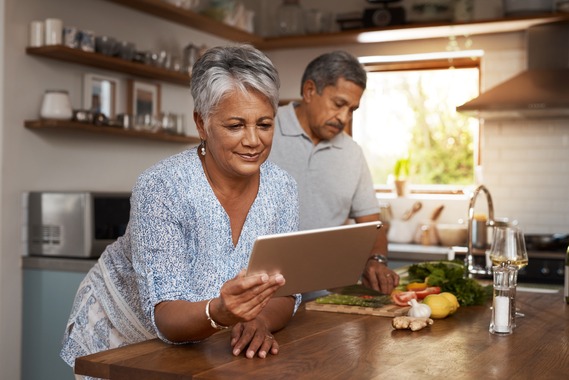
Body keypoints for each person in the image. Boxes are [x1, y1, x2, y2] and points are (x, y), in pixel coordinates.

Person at [60, 45, 301, 373]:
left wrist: (258, 320)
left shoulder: (283, 188)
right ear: (202, 124)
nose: (253, 140)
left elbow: (286, 293)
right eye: (235, 126)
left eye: (264, 124)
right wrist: (222, 313)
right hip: (125, 334)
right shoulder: (162, 186)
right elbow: (166, 315)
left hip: (207, 341)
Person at [269, 50, 399, 295]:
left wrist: (376, 260)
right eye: (338, 104)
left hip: (324, 298)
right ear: (309, 91)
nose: (343, 117)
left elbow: (372, 226)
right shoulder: (264, 131)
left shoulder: (352, 153)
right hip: (263, 295)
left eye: (352, 110)